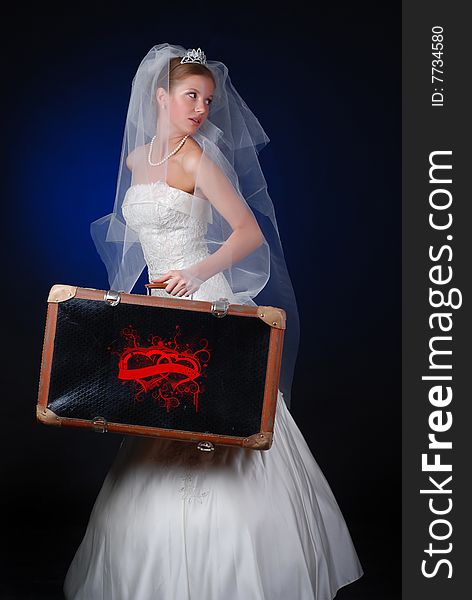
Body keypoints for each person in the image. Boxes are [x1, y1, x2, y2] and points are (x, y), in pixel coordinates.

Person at [63, 43, 363, 600]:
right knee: (163, 421)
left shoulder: (197, 158)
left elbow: (248, 234)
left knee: (222, 422)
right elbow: (138, 244)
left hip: (207, 304)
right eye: (191, 95)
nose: (201, 108)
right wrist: (124, 301)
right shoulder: (136, 162)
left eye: (207, 99)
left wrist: (195, 274)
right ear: (161, 96)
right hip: (163, 310)